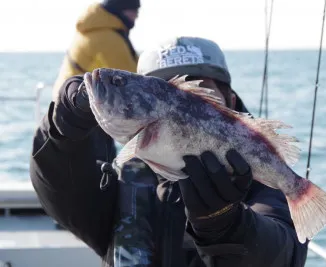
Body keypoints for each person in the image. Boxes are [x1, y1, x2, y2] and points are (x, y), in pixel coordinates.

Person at [30, 36, 309, 267]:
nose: (187, 105)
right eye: (167, 89)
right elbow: (60, 188)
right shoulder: (120, 183)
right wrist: (64, 127)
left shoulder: (264, 179)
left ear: (231, 101)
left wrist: (224, 223)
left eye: (201, 92)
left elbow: (283, 255)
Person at [51, 0, 141, 101]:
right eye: (134, 10)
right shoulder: (108, 38)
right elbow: (132, 81)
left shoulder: (94, 28)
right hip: (76, 106)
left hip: (64, 100)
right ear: (120, 9)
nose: (136, 15)